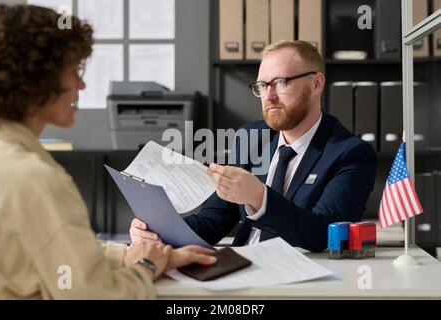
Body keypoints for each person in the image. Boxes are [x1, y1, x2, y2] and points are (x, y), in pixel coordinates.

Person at [0, 5, 216, 300]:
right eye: (74, 70)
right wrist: (146, 266)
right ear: (38, 79)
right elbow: (92, 295)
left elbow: (55, 247)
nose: (82, 84)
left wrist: (130, 254)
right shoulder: (35, 178)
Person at [130, 40, 377, 252]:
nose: (269, 96)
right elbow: (215, 218)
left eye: (281, 83)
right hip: (240, 267)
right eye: (262, 86)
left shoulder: (351, 154)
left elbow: (322, 234)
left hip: (301, 280)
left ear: (316, 84)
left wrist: (259, 196)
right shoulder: (251, 136)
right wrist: (162, 232)